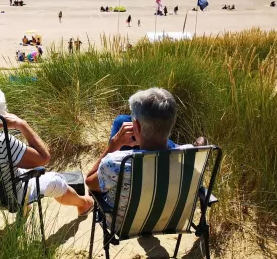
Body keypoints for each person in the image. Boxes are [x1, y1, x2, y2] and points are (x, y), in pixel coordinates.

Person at [86, 88, 207, 224]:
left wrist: (113, 145)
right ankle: (177, 144)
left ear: (136, 125)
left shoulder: (115, 163)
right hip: (170, 220)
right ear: (173, 122)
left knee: (121, 121)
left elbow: (90, 182)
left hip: (124, 224)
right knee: (176, 147)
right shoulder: (191, 158)